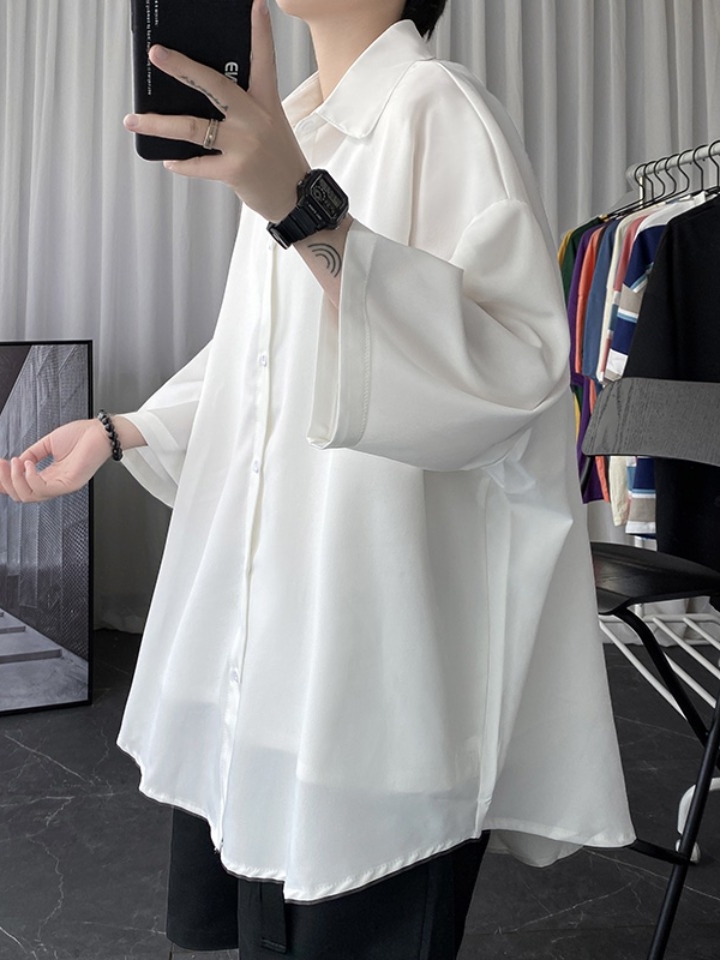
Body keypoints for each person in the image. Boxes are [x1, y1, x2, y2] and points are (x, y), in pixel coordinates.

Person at [0, 0, 635, 956]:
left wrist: (301, 207)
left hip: (372, 664)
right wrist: (120, 430)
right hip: (268, 647)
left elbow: (515, 375)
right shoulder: (291, 131)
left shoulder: (437, 109)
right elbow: (262, 362)